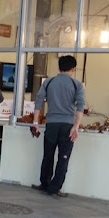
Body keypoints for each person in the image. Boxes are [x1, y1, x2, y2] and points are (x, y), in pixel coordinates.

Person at [31, 55, 85, 197]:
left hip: (51, 124)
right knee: (63, 157)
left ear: (59, 67)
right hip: (68, 126)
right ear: (73, 69)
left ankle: (44, 183)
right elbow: (80, 106)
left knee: (48, 155)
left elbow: (38, 101)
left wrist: (35, 122)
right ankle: (54, 188)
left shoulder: (49, 82)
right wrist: (76, 126)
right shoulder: (77, 84)